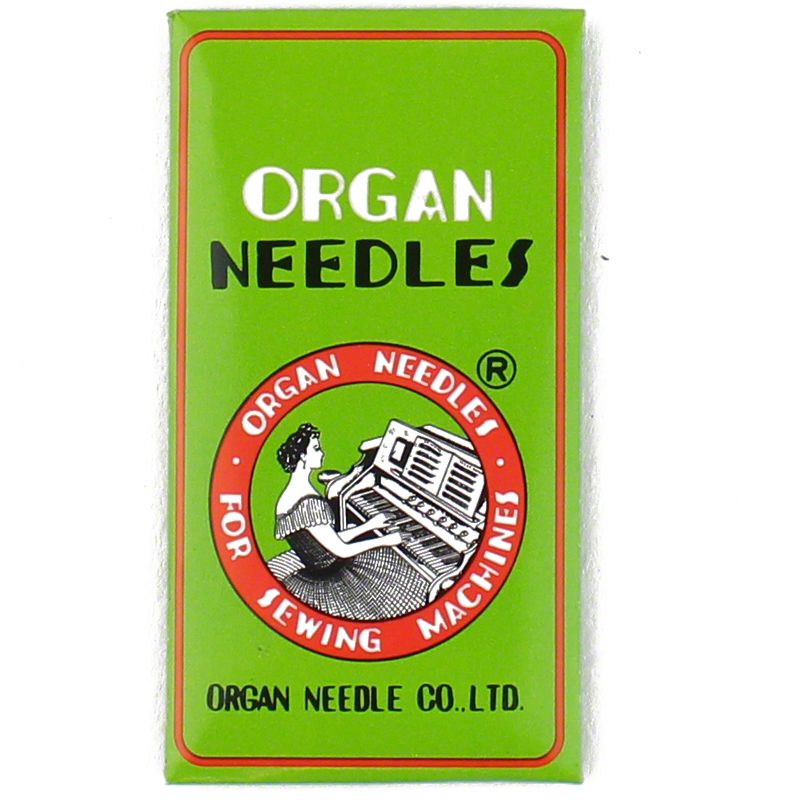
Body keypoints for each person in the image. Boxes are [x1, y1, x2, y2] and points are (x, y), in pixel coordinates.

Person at [271, 423, 430, 620]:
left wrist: (369, 525)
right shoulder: (308, 500)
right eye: (316, 448)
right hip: (333, 578)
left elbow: (323, 540)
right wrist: (387, 540)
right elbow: (342, 550)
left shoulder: (288, 497)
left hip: (318, 568)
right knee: (405, 575)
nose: (322, 453)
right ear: (303, 456)